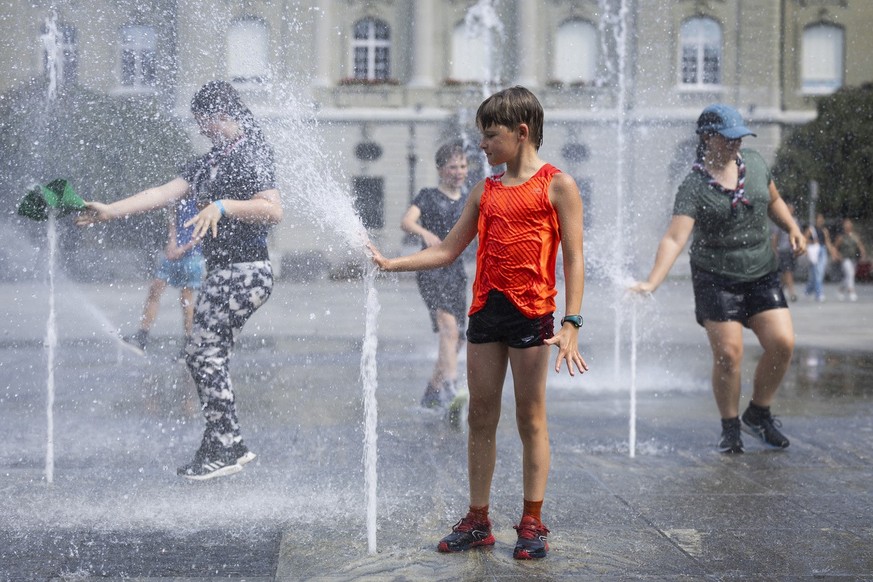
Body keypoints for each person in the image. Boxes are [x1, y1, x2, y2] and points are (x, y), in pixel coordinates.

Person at [369, 86, 588, 560]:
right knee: (479, 417)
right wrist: (391, 264)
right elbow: (448, 249)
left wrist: (571, 321)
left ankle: (532, 521)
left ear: (522, 132)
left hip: (533, 314)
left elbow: (574, 257)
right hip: (485, 312)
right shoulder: (484, 190)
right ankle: (478, 519)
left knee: (531, 417)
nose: (482, 146)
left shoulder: (558, 185)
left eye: (490, 136)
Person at [76, 80, 283, 480]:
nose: (201, 129)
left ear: (221, 114)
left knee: (204, 354)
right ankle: (226, 441)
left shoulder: (252, 152)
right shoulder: (212, 160)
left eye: (203, 121)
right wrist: (110, 211)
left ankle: (225, 443)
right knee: (203, 354)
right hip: (224, 274)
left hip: (246, 272)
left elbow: (273, 211)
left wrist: (223, 206)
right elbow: (163, 192)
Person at [631, 103, 805, 455]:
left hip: (760, 271)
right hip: (716, 277)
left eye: (740, 137)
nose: (736, 144)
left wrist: (793, 228)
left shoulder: (754, 163)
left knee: (783, 343)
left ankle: (758, 413)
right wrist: (652, 282)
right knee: (729, 353)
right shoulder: (694, 186)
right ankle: (730, 427)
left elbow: (773, 199)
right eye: (728, 139)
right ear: (707, 138)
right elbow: (675, 238)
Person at [400, 141, 469, 408]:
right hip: (431, 269)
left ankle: (433, 390)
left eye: (463, 166)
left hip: (456, 272)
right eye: (453, 166)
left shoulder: (467, 200)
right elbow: (406, 222)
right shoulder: (427, 196)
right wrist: (424, 232)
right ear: (441, 169)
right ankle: (452, 389)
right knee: (448, 329)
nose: (459, 171)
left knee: (459, 338)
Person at [121, 197, 205, 359]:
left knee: (186, 298)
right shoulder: (182, 191)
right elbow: (173, 218)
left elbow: (205, 228)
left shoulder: (203, 191)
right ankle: (142, 337)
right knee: (155, 288)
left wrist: (184, 248)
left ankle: (189, 346)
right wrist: (172, 242)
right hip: (172, 252)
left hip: (192, 255)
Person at [803, 213, 836, 302]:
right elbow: (804, 240)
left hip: (822, 251)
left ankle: (810, 291)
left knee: (818, 273)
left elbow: (827, 242)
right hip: (814, 252)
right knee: (815, 274)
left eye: (822, 219)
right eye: (819, 219)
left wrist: (832, 253)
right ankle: (817, 293)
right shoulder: (811, 229)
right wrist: (812, 242)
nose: (820, 221)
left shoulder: (824, 230)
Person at [833, 217, 867, 302]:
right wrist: (836, 255)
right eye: (846, 224)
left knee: (849, 275)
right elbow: (835, 247)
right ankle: (852, 291)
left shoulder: (855, 236)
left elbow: (860, 245)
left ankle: (840, 290)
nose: (848, 226)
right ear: (844, 226)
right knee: (850, 273)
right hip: (844, 259)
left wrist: (863, 253)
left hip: (853, 258)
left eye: (849, 224)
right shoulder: (841, 237)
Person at [772, 202, 799, 302]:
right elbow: (775, 237)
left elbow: (798, 235)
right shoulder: (780, 220)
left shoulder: (795, 220)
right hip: (783, 250)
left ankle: (778, 291)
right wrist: (774, 250)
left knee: (785, 273)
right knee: (788, 271)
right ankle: (792, 292)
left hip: (792, 250)